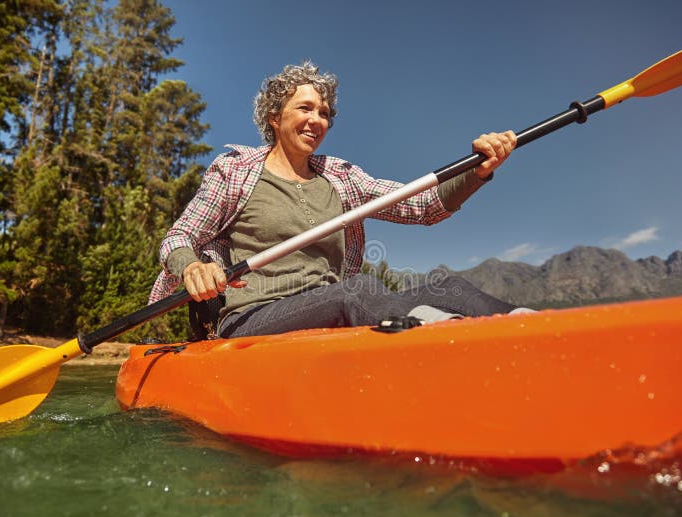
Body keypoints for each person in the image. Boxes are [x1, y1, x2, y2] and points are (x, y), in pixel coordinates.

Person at [150, 61, 529, 339]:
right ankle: (446, 341)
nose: (318, 120)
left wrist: (478, 170)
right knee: (357, 290)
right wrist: (191, 268)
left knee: (450, 287)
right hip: (252, 317)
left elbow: (423, 206)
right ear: (274, 116)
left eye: (325, 113)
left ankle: (538, 328)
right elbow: (178, 239)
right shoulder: (234, 170)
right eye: (305, 108)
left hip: (331, 306)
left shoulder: (341, 177)